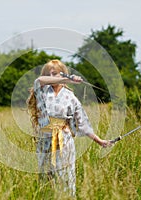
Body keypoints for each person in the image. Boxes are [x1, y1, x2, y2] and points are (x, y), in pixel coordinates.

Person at [27, 59, 111, 196]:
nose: (52, 77)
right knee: (45, 179)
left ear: (63, 74)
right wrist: (69, 80)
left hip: (64, 141)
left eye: (55, 74)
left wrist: (99, 141)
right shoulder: (42, 91)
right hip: (45, 140)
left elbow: (82, 122)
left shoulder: (70, 97)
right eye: (50, 74)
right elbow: (39, 80)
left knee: (65, 178)